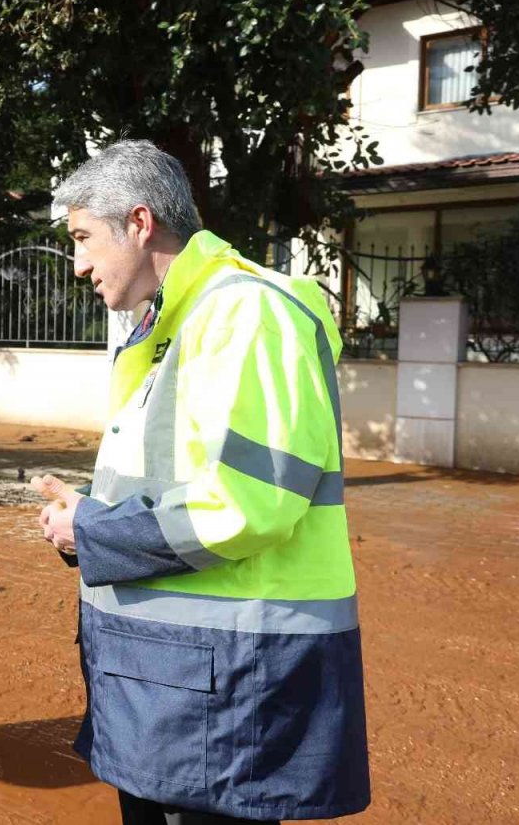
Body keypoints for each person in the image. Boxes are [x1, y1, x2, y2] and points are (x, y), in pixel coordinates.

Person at [33, 140, 370, 824]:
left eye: (83, 238)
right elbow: (180, 483)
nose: (78, 264)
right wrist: (89, 518)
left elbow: (247, 505)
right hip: (178, 687)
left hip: (225, 693)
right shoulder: (177, 321)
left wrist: (93, 529)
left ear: (139, 222)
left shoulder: (245, 313)